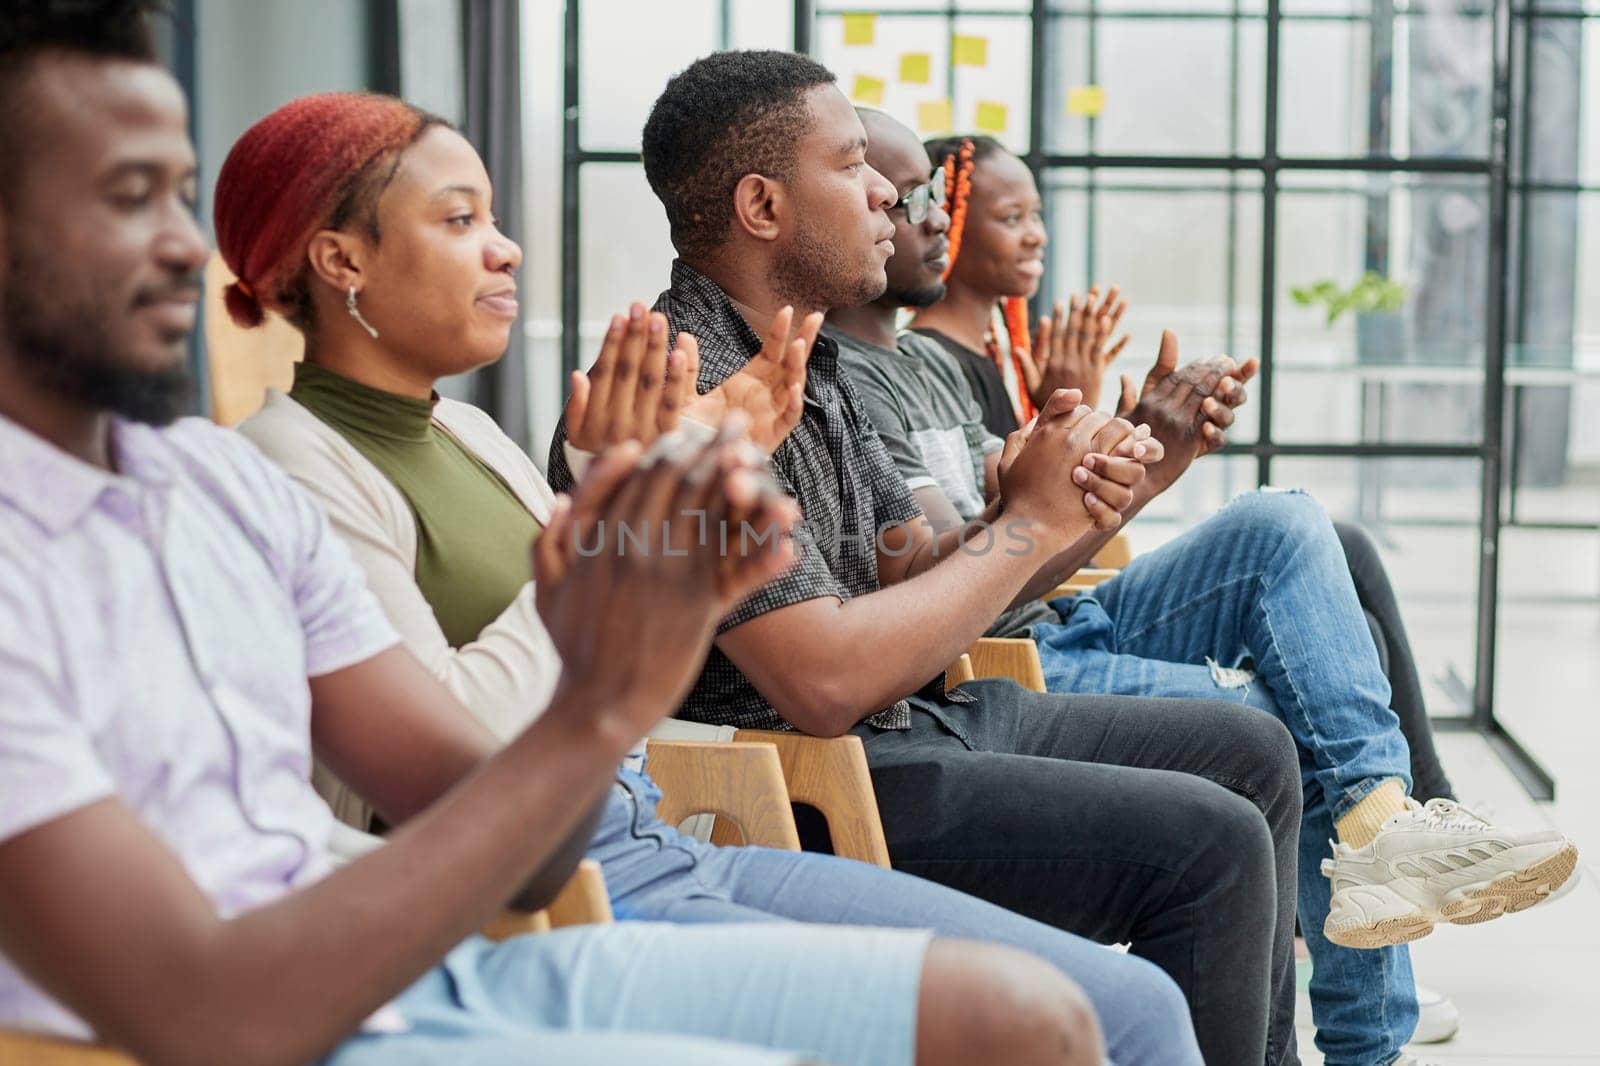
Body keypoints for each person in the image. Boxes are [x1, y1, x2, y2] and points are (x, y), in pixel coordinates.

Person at [0, 8, 1108, 1065]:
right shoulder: (272, 468)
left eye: (180, 200)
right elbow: (212, 1009)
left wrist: (621, 634)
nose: (184, 249)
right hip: (303, 999)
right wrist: (603, 576)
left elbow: (523, 842)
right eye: (126, 198)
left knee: (1025, 1019)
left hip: (500, 916)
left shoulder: (228, 489)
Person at [226, 89, 1204, 1066]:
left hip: (652, 835)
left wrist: (671, 494)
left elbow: (630, 629)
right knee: (1064, 1008)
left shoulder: (466, 431)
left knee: (1132, 1004)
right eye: (457, 219)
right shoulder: (291, 463)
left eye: (492, 215)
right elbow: (467, 739)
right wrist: (627, 499)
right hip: (546, 897)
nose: (505, 247)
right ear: (340, 259)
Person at [545, 48, 1312, 1066]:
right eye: (855, 165)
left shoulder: (818, 356)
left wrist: (1099, 484)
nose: (888, 195)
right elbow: (819, 680)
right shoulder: (684, 384)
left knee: (1251, 754)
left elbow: (922, 569)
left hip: (918, 715)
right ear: (763, 205)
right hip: (821, 765)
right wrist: (1025, 526)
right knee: (1207, 846)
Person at [830, 113, 1579, 1066]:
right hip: (1002, 657)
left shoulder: (900, 371)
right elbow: (964, 562)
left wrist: (1155, 445)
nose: (928, 215)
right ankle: (1367, 1018)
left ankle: (1390, 820)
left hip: (1049, 611)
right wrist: (1059, 487)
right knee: (1291, 718)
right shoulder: (861, 380)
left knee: (1289, 521)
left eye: (934, 195)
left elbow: (1024, 534)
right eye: (899, 194)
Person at [911, 134, 1459, 803]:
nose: (1036, 236)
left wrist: (1129, 440)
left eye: (1037, 214)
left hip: (1045, 608)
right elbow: (1011, 531)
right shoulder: (917, 365)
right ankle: (1408, 815)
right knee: (1294, 581)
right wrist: (1127, 445)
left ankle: (1417, 810)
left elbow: (1028, 516)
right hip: (1021, 639)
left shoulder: (965, 363)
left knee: (1339, 557)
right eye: (1011, 218)